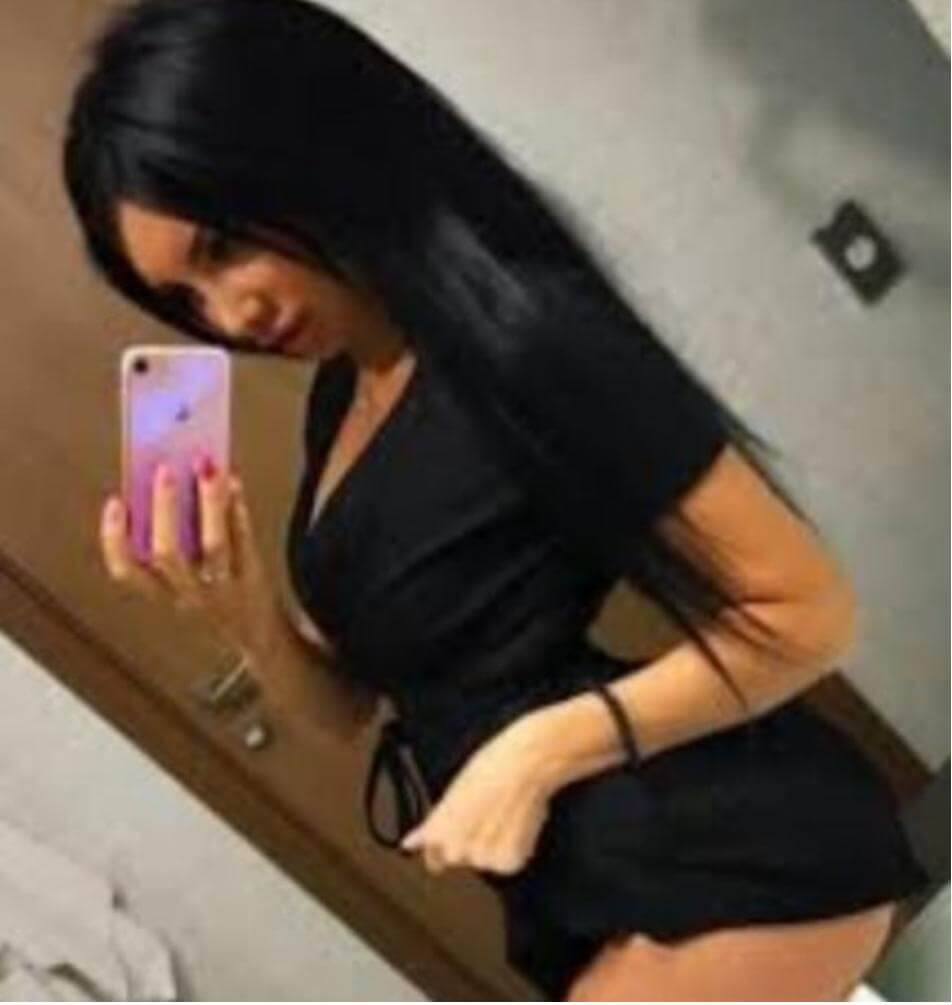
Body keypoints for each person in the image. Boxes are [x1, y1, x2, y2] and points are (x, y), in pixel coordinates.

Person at [66, 0, 931, 999]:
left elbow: (809, 613)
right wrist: (244, 609)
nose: (229, 314)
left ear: (301, 144)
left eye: (222, 247)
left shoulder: (525, 334)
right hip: (592, 885)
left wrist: (534, 754)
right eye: (184, 299)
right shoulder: (343, 398)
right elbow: (351, 709)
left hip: (735, 869)